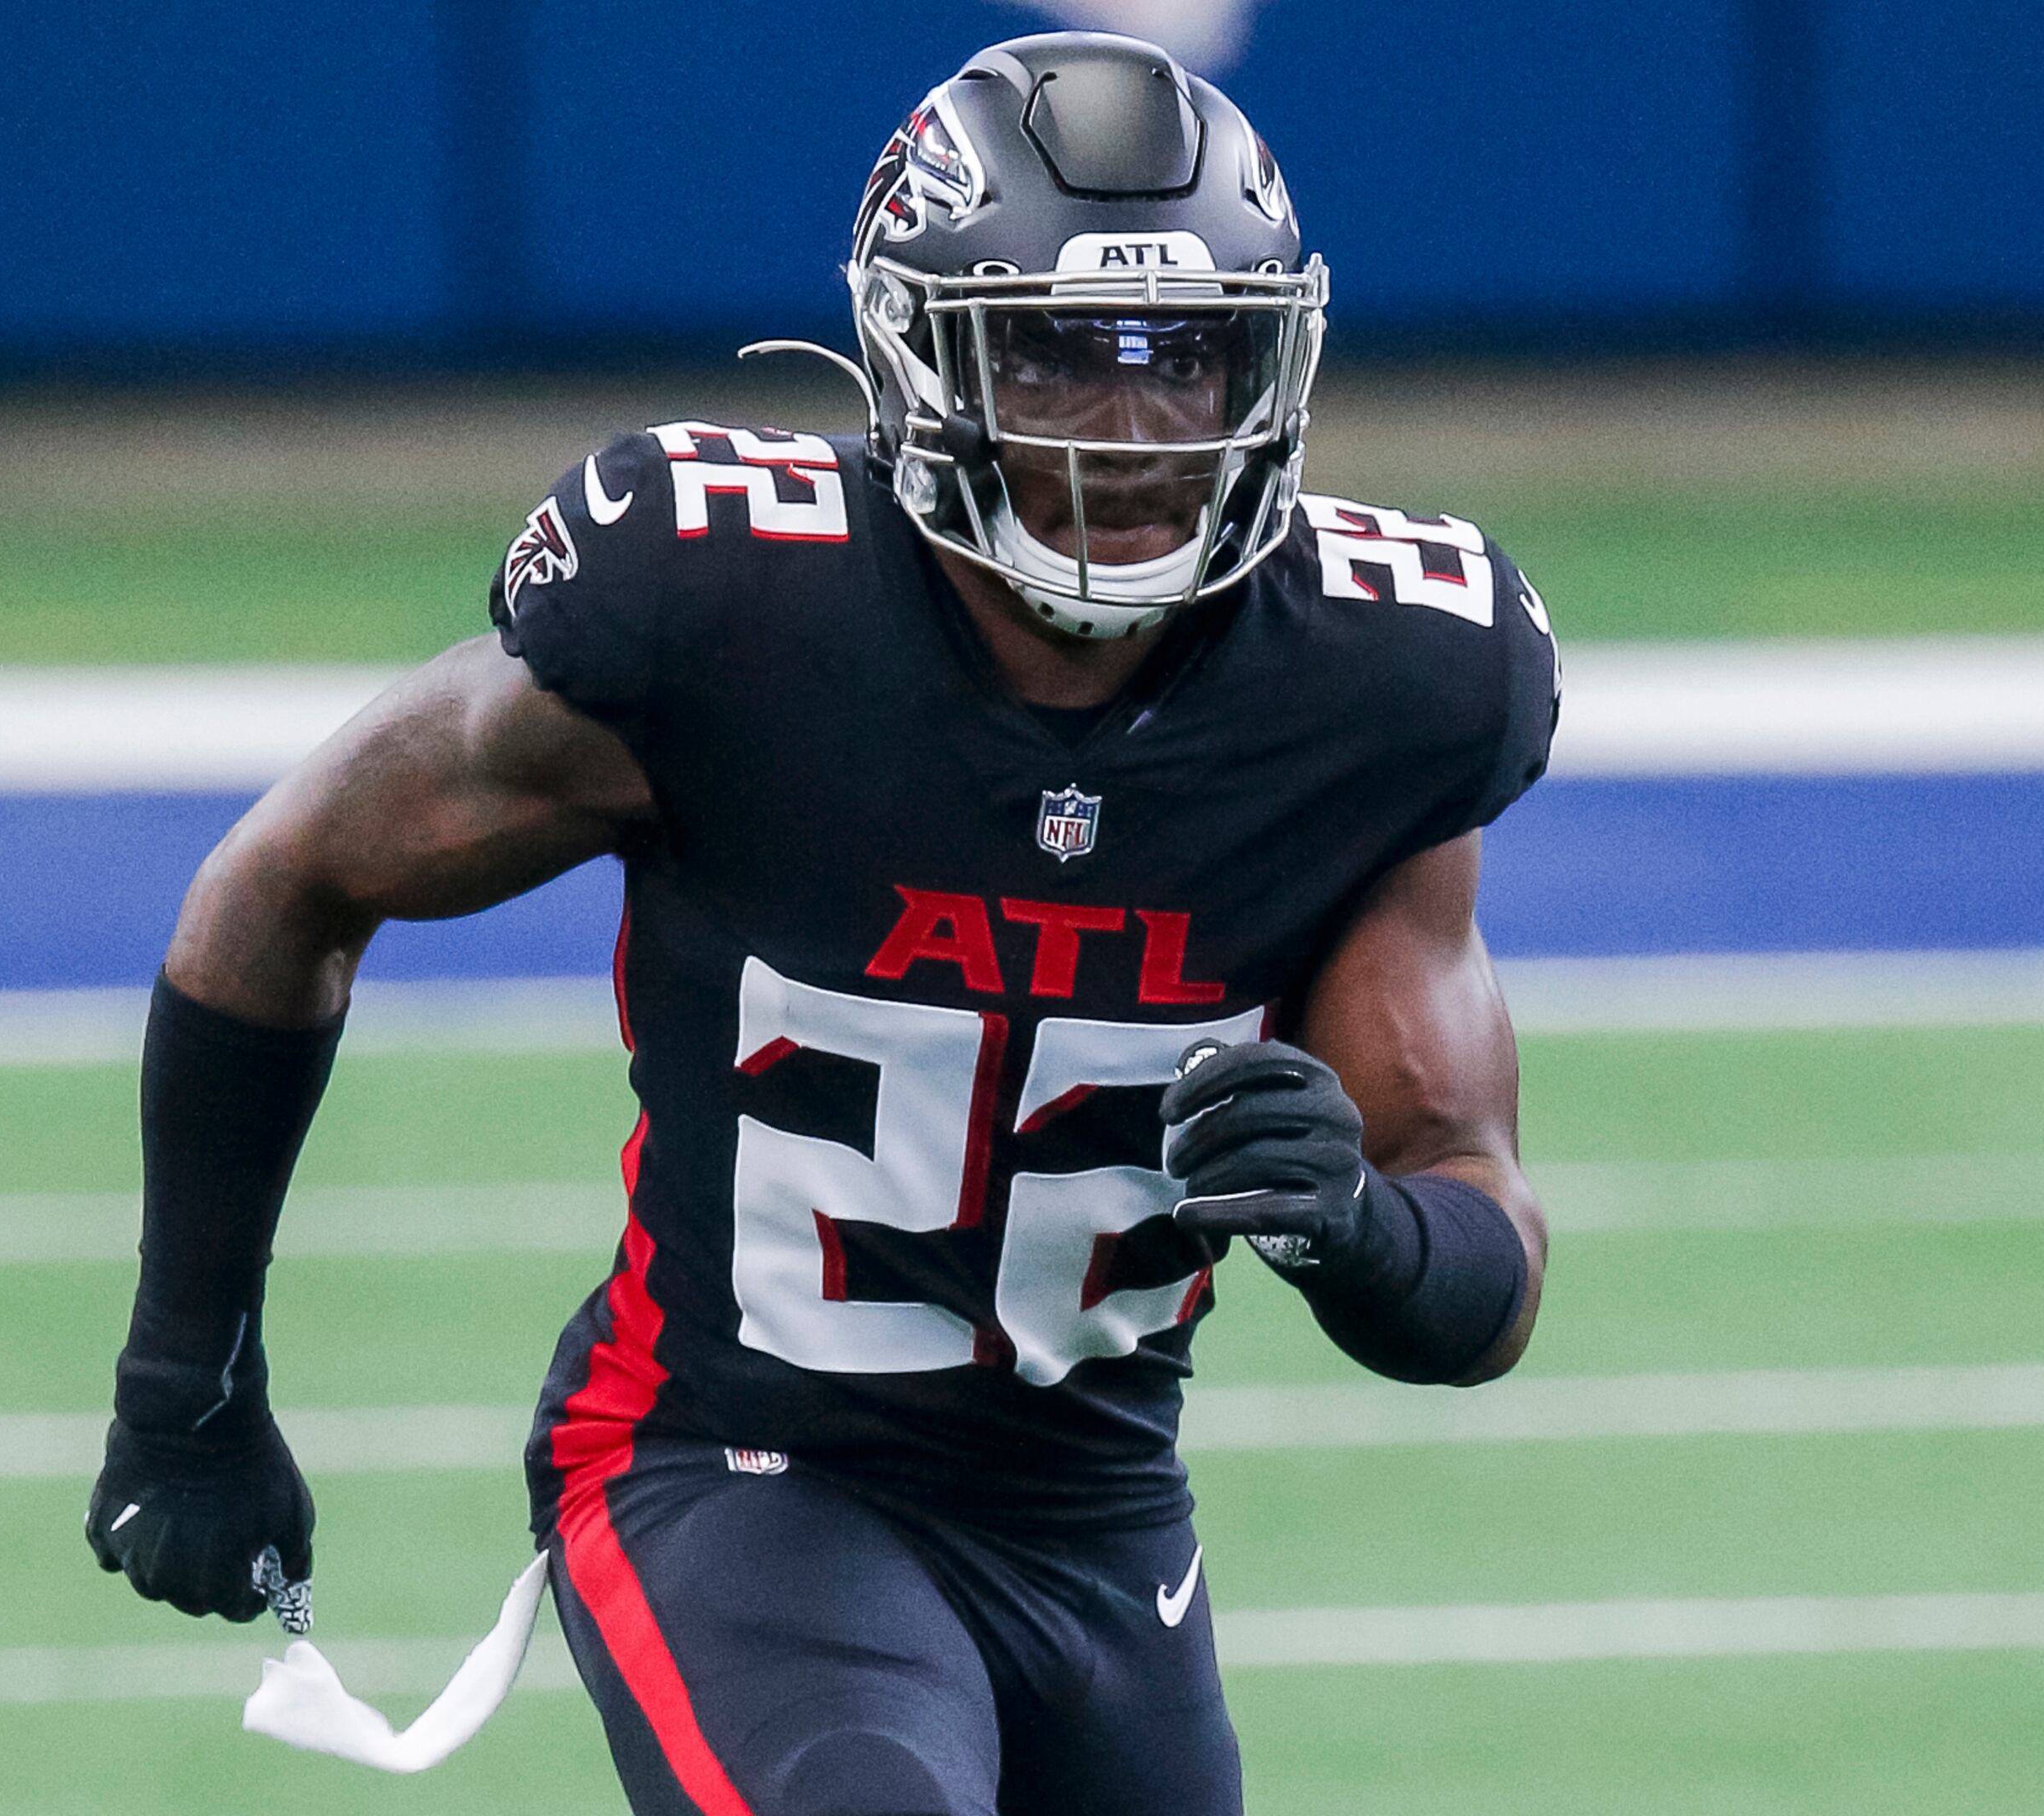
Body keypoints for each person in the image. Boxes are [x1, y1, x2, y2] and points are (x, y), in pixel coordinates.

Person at [85, 31, 1557, 1816]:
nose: (1135, 428)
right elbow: (291, 877)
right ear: (918, 356)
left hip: (1097, 1512)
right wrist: (186, 1377)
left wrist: (1364, 1234)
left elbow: (1478, 1259)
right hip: (728, 1460)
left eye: (1186, 354)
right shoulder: (729, 614)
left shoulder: (1385, 688)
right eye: (1056, 351)